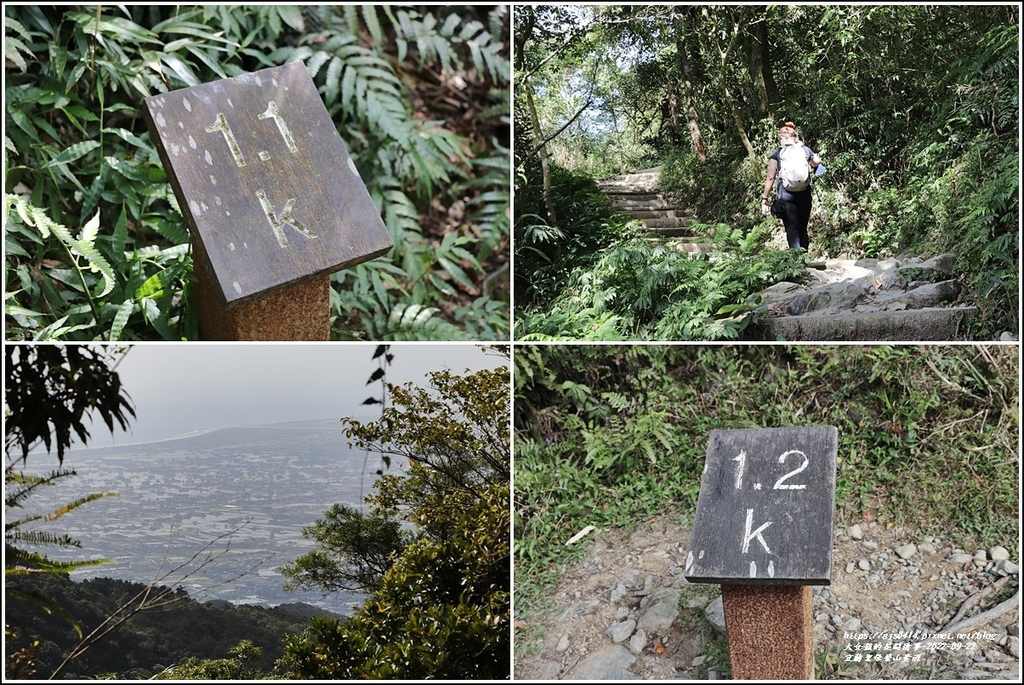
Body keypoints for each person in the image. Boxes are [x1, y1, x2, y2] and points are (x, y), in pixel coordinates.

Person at [760, 121, 822, 250]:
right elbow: (817, 162)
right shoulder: (804, 149)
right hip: (804, 193)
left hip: (786, 195)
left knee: (792, 228)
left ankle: (797, 262)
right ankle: (804, 257)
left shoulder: (778, 153)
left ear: (781, 138)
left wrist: (764, 198)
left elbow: (771, 177)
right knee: (802, 227)